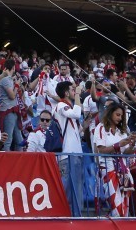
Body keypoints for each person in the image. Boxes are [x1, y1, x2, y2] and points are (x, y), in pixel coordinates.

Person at [92, 102, 135, 217]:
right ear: (110, 113)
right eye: (118, 115)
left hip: (123, 170)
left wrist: (132, 144)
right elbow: (101, 150)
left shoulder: (122, 131)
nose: (120, 118)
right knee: (116, 206)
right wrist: (118, 144)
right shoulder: (100, 128)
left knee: (125, 206)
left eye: (121, 116)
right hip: (108, 167)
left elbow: (126, 152)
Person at [54, 80, 84, 217]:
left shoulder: (68, 107)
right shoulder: (60, 105)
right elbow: (76, 114)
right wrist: (78, 94)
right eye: (72, 90)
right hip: (68, 153)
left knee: (76, 188)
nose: (74, 92)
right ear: (66, 93)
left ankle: (76, 216)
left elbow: (79, 130)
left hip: (75, 152)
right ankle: (67, 216)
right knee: (68, 188)